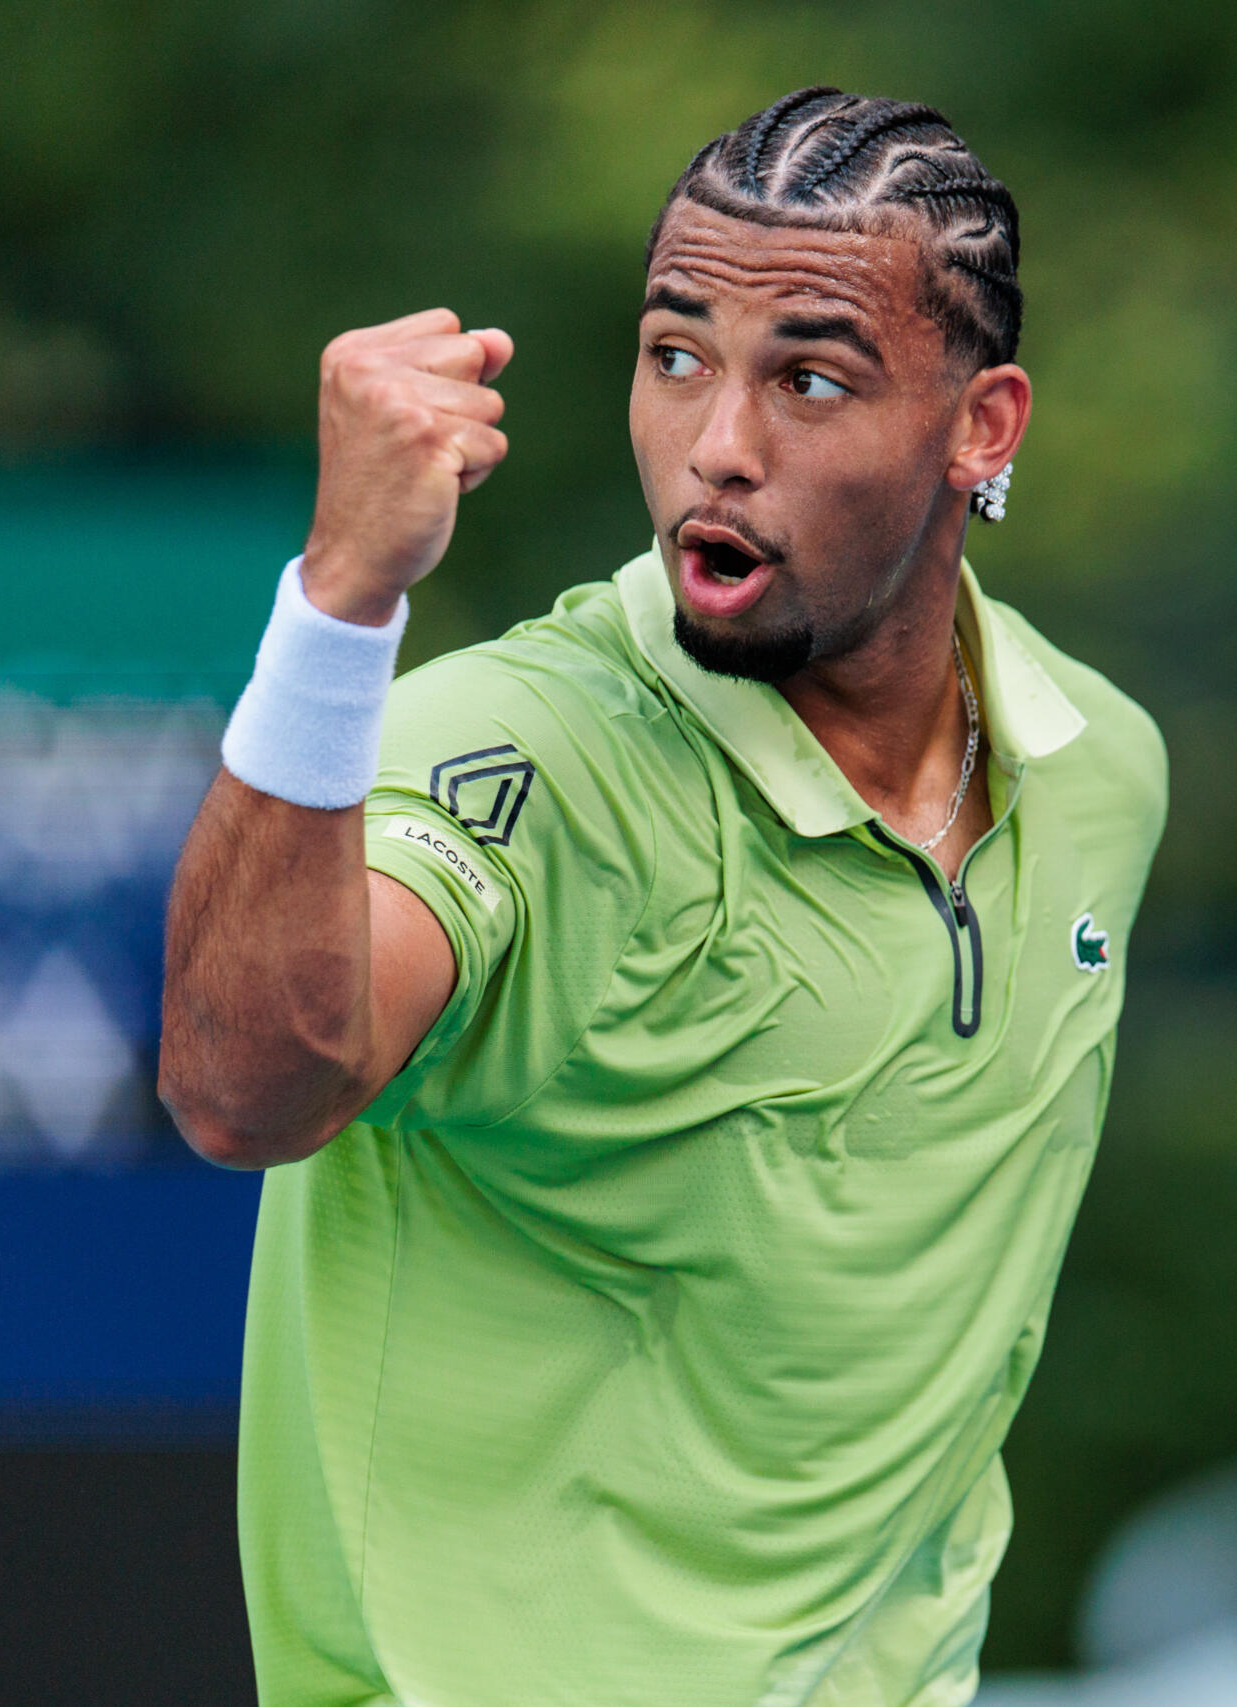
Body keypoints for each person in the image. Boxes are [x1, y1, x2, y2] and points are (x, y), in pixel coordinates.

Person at [158, 88, 1167, 1707]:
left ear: (982, 429)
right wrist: (344, 606)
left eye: (811, 379)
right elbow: (239, 1086)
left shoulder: (1098, 770)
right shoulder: (518, 750)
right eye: (676, 354)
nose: (718, 445)